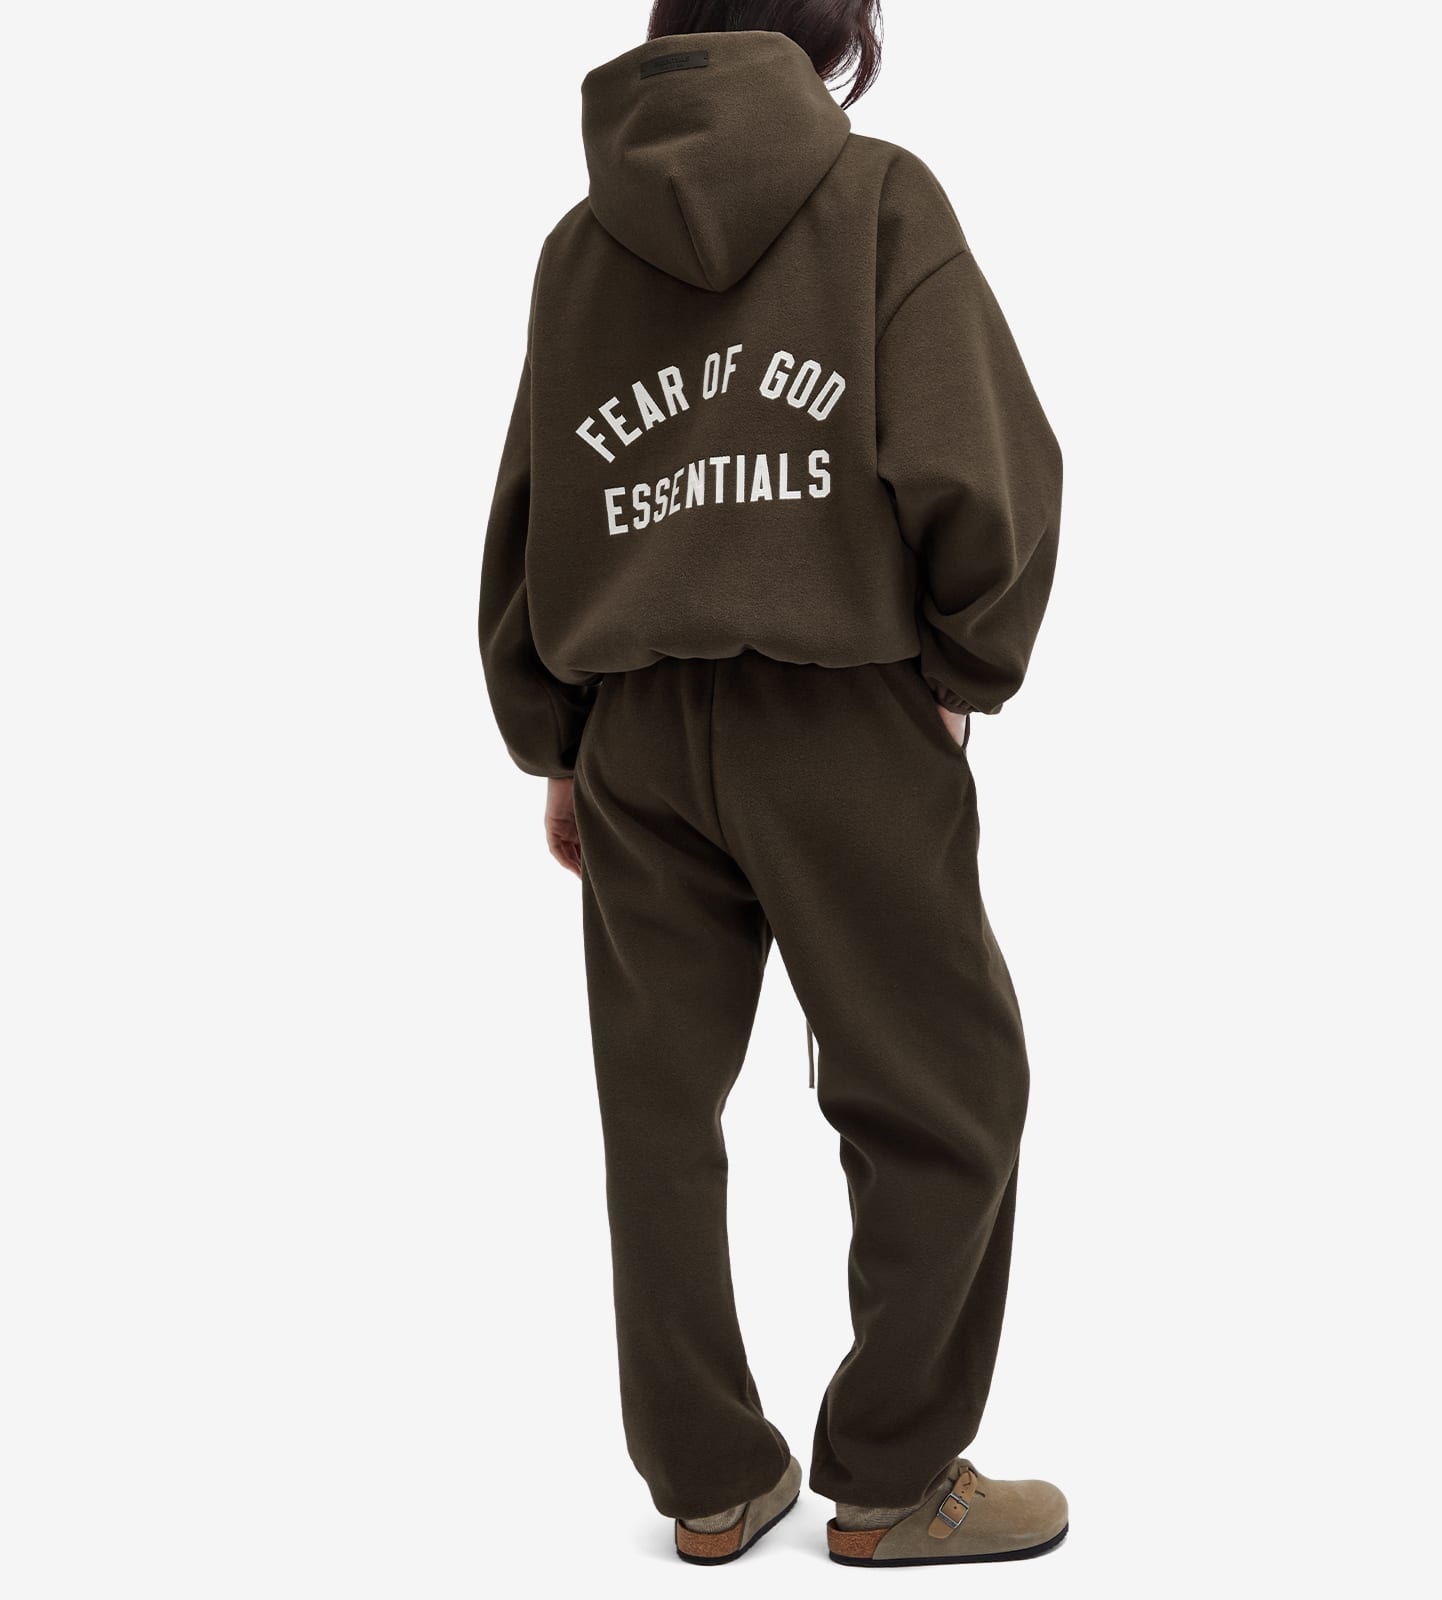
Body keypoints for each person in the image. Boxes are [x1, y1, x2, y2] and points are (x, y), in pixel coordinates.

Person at [479, 0, 1066, 1569]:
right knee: (943, 1090)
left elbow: (537, 501)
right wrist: (966, 664)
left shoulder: (578, 247)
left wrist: (559, 736)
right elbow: (981, 460)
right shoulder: (878, 201)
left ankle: (709, 1480)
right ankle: (895, 1477)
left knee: (657, 1113)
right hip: (841, 712)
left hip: (634, 733)